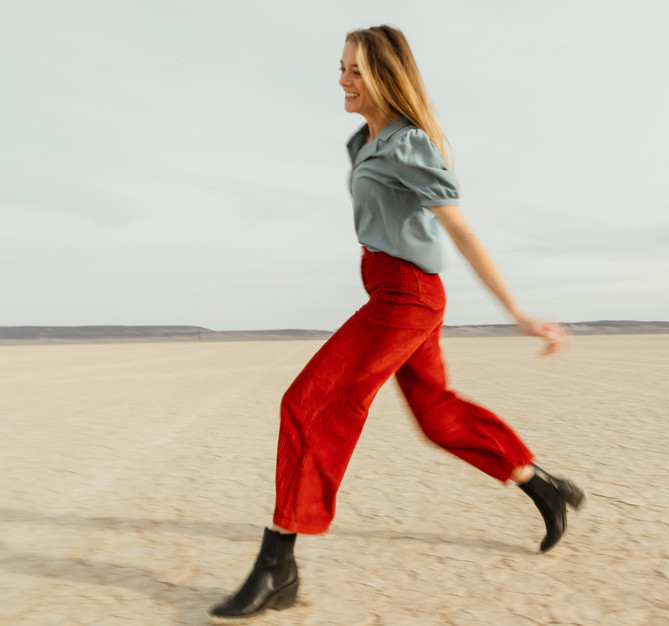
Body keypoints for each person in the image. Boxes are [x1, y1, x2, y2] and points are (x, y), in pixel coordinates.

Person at [208, 25, 585, 621]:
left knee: (310, 404)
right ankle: (543, 484)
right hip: (392, 287)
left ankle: (279, 564)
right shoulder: (364, 143)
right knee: (436, 414)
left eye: (354, 71)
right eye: (341, 68)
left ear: (385, 76)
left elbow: (460, 230)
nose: (342, 81)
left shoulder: (410, 145)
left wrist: (518, 314)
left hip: (405, 297)